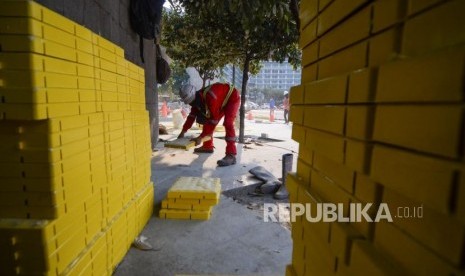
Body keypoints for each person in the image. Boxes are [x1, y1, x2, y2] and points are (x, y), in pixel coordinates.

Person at [177, 82, 240, 167]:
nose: (191, 105)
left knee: (228, 123)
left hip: (232, 97)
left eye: (191, 102)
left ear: (194, 96)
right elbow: (191, 117)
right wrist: (183, 131)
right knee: (207, 119)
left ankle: (231, 155)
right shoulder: (196, 100)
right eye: (189, 103)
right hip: (221, 100)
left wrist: (201, 137)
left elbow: (214, 120)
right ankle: (208, 146)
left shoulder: (211, 97)